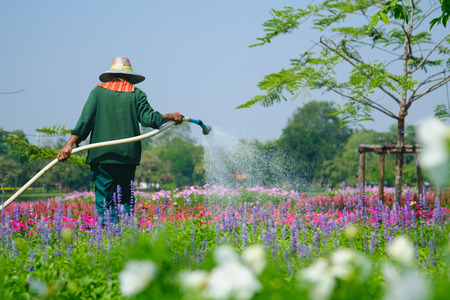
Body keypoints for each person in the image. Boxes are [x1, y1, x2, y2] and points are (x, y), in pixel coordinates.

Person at [57, 57, 183, 223]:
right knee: (125, 201)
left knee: (105, 202)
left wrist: (69, 144)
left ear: (110, 76)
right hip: (127, 157)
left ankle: (108, 239)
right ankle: (125, 239)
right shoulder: (136, 94)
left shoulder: (98, 92)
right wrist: (171, 116)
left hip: (101, 157)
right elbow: (150, 120)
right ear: (129, 78)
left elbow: (85, 122)